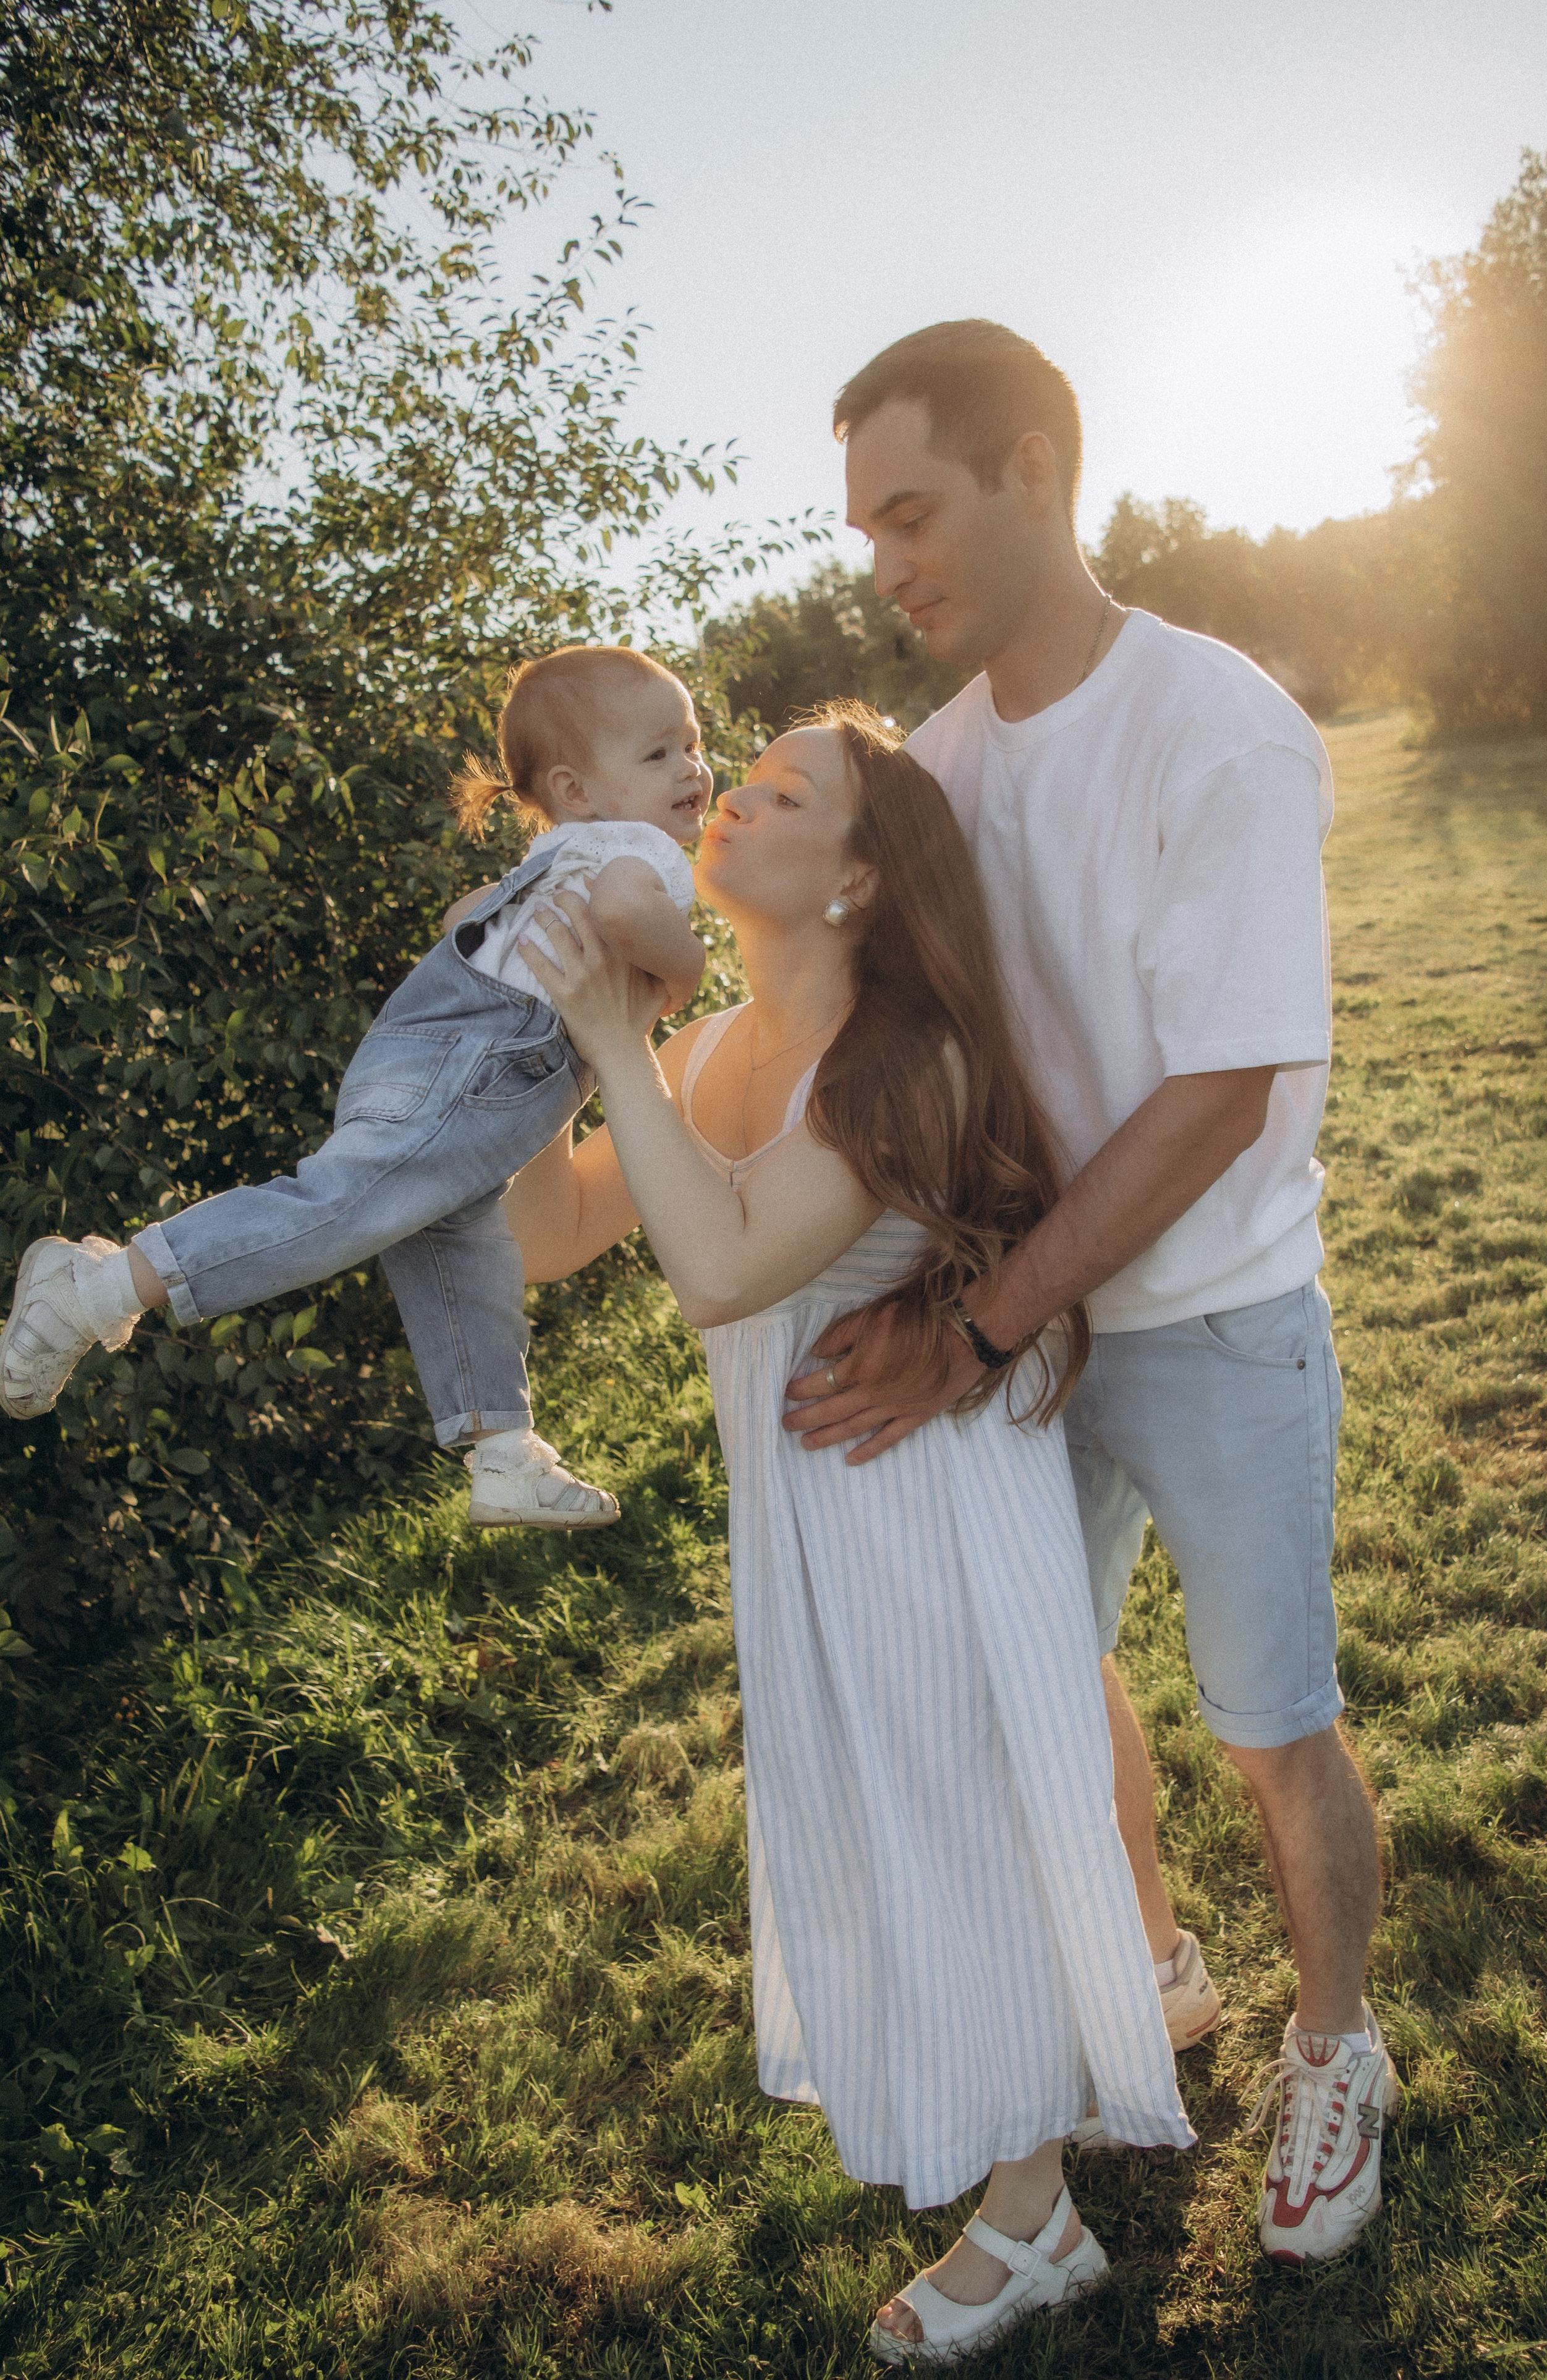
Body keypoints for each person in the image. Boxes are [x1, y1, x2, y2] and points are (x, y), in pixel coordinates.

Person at [782, 320, 1397, 2266]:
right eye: (865, 527)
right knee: (1031, 1688)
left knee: (1269, 1718)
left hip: (1209, 1317)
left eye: (914, 510)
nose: (885, 564)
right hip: (1028, 1324)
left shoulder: (1213, 723)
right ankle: (1145, 1963)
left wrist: (969, 1326)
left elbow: (1215, 1096)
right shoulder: (939, 769)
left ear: (1036, 467)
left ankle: (1333, 2043)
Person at [504, 701, 1192, 2363]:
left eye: (777, 790)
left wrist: (608, 1038)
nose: (724, 796)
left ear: (863, 874)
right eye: (734, 777)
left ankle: (1035, 2220)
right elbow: (557, 1230)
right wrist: (538, 1039)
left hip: (930, 1506)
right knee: (896, 1832)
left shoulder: (906, 1053)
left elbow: (729, 1259)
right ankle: (1038, 2122)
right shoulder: (711, 1041)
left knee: (953, 1825)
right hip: (808, 1509)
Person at [0, 646, 708, 1530]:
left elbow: (463, 918)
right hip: (483, 1066)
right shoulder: (641, 852)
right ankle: (98, 1286)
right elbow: (625, 916)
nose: (692, 769)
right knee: (343, 1208)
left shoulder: (558, 851)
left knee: (458, 1237)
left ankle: (503, 1453)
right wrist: (687, 969)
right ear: (575, 788)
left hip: (432, 1048)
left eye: (693, 742)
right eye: (658, 755)